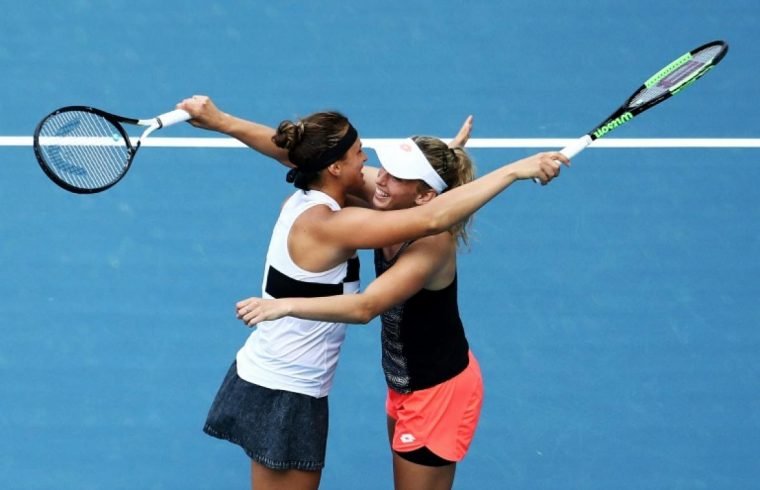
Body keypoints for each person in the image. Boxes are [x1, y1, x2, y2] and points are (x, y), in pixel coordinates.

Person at [177, 95, 567, 490]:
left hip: (432, 389)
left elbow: (422, 229)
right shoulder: (355, 212)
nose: (375, 173)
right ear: (333, 168)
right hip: (312, 385)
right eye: (364, 158)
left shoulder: (417, 235)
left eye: (396, 174)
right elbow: (307, 157)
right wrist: (221, 121)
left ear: (424, 193)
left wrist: (221, 120)